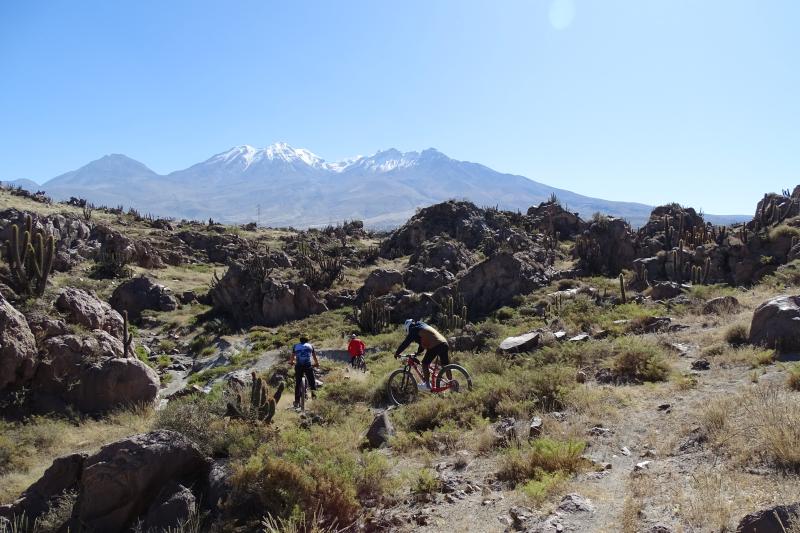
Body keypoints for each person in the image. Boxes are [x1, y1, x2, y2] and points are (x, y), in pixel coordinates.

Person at [394, 319, 449, 391]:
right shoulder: (421, 326)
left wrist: (397, 353)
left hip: (436, 345)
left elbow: (406, 343)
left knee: (424, 363)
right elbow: (422, 344)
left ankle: (427, 385)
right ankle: (451, 383)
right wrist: (417, 353)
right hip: (444, 343)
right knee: (446, 366)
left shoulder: (413, 329)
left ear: (407, 327)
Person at [290, 335, 319, 408]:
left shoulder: (295, 346)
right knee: (312, 382)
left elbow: (292, 356)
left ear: (300, 341)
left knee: (298, 383)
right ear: (307, 341)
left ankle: (296, 401)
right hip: (308, 366)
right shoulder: (310, 346)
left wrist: (291, 362)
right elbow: (314, 356)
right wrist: (316, 363)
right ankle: (314, 399)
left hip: (299, 366)